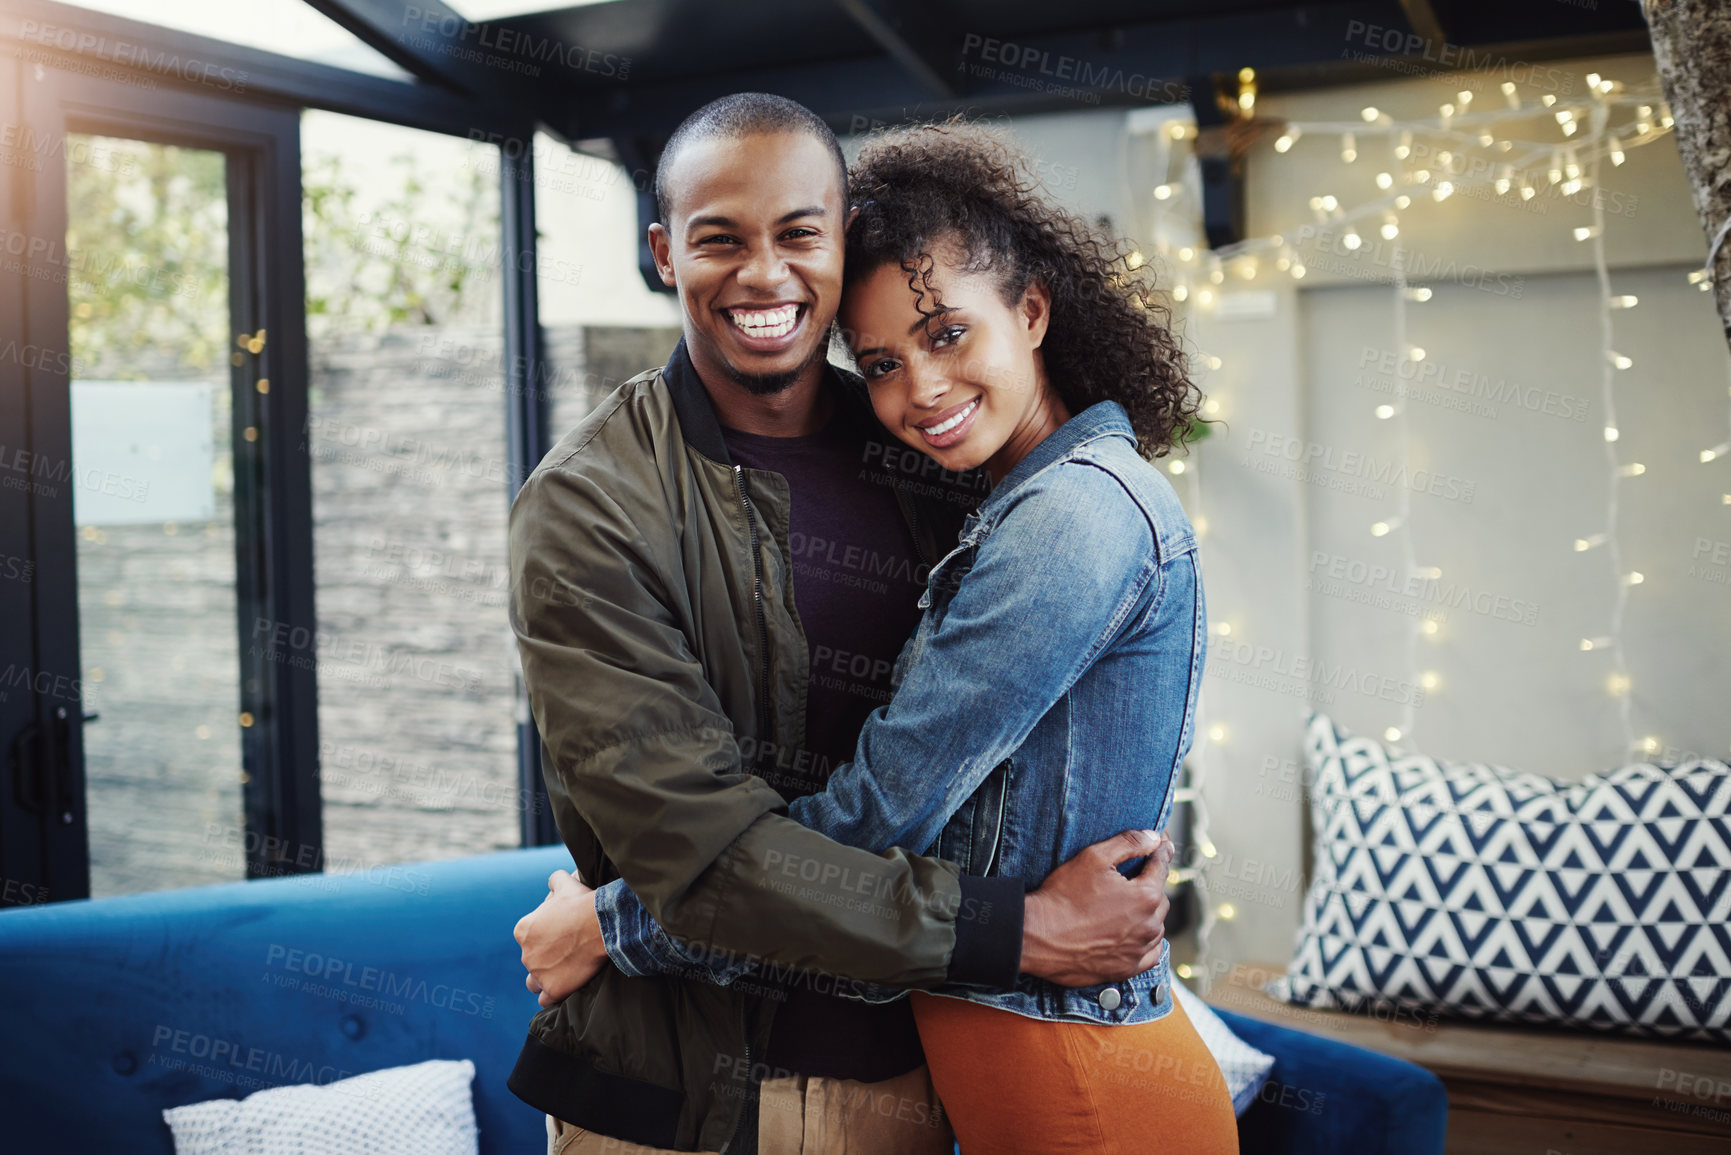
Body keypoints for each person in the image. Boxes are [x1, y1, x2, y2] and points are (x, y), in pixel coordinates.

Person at [507, 94, 1177, 1155]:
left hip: (905, 1078)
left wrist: (610, 921)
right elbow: (711, 866)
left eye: (798, 234)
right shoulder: (592, 507)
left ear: (839, 240)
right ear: (663, 252)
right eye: (719, 238)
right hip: (674, 1099)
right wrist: (1025, 933)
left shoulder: (930, 458)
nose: (765, 274)